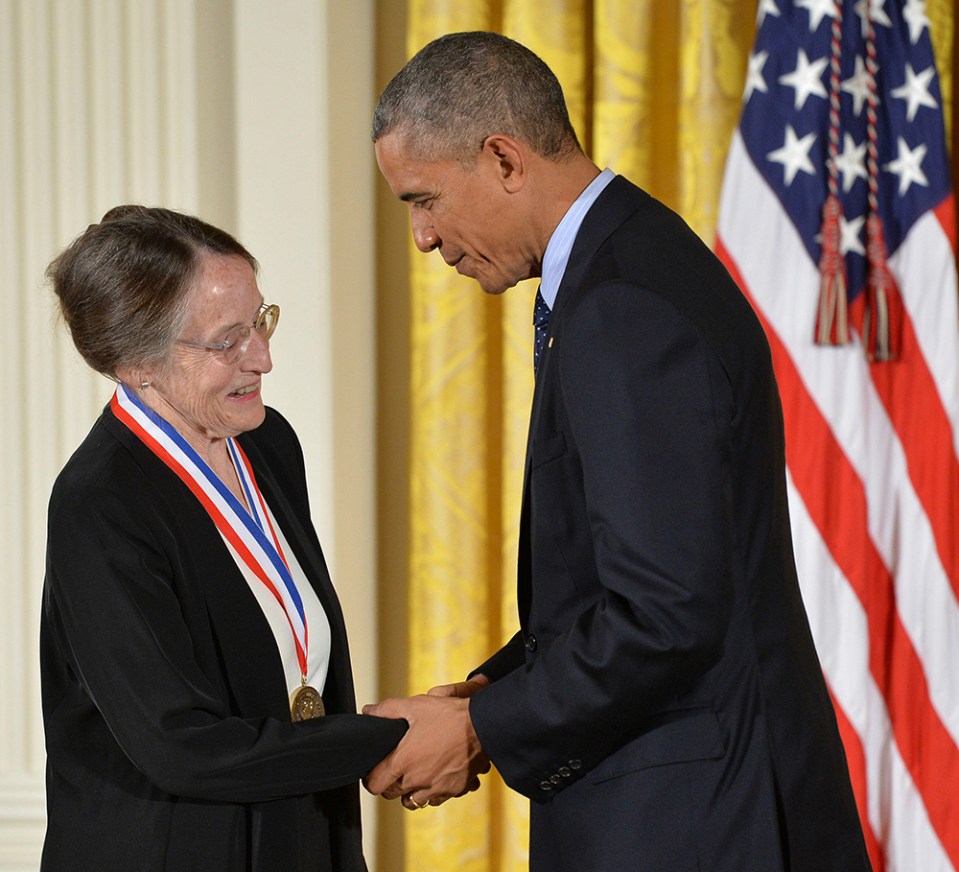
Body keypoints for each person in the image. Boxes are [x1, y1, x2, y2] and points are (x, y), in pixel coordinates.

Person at [363, 31, 872, 872]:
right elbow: (642, 581)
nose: (421, 236)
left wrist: (481, 728)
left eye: (424, 199)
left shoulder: (621, 304)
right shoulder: (634, 258)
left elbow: (664, 615)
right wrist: (487, 696)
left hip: (697, 826)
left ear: (502, 159)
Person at [40, 205, 406, 872]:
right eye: (227, 340)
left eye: (259, 322)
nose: (262, 357)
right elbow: (178, 744)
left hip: (295, 834)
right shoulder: (99, 504)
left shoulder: (269, 443)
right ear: (136, 362)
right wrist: (380, 742)